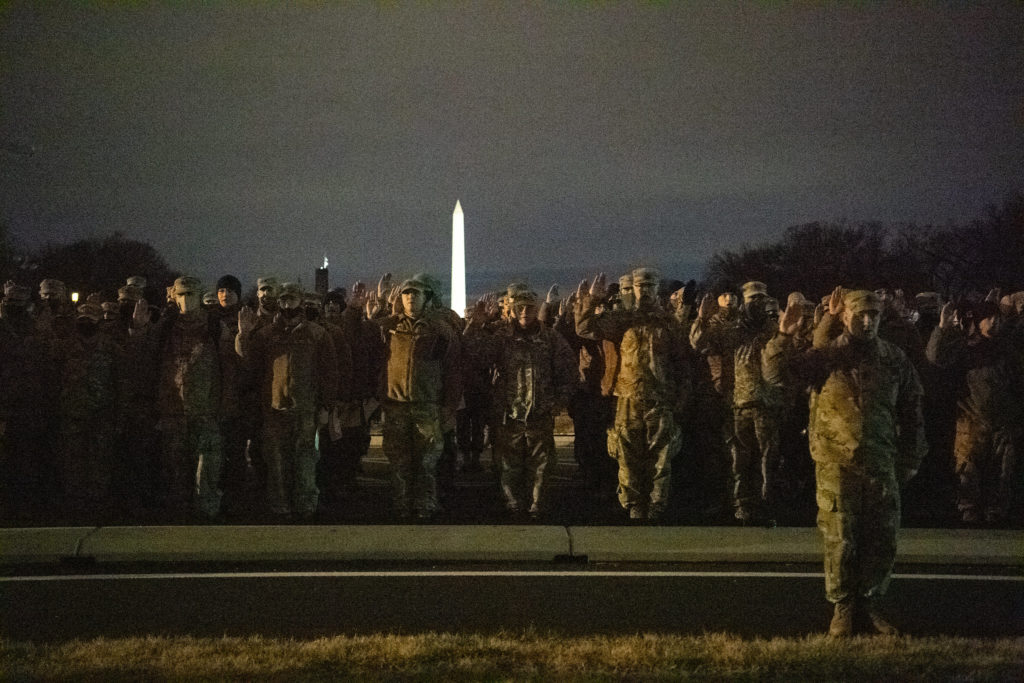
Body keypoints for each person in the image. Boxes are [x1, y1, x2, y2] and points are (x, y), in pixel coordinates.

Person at [764, 287, 926, 637]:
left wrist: (912, 457)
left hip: (881, 461)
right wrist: (783, 337)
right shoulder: (827, 356)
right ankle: (843, 607)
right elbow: (776, 376)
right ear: (845, 316)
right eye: (859, 315)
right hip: (836, 463)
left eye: (873, 315)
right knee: (840, 539)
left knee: (881, 538)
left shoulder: (893, 358)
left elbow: (912, 409)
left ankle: (870, 602)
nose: (867, 322)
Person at [575, 268, 690, 522]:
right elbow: (584, 328)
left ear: (656, 289)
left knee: (661, 457)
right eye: (640, 286)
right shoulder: (623, 319)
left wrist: (680, 399)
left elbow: (682, 363)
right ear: (633, 289)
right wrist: (592, 300)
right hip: (628, 399)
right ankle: (634, 505)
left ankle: (657, 505)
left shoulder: (669, 322)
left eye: (649, 286)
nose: (644, 291)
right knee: (627, 456)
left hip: (660, 399)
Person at [465, 289, 576, 519]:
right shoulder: (502, 337)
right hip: (509, 414)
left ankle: (537, 505)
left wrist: (560, 401)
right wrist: (475, 326)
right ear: (513, 311)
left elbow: (568, 371)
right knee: (507, 465)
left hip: (540, 413)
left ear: (536, 309)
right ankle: (512, 505)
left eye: (529, 307)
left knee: (542, 465)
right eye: (520, 308)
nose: (524, 312)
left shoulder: (550, 338)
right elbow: (476, 357)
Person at [237, 282, 338, 520]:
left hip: (306, 408)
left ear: (300, 301)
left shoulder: (317, 334)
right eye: (283, 299)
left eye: (291, 299)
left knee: (306, 460)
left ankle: (306, 506)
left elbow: (329, 372)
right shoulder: (266, 335)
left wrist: (326, 406)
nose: (286, 304)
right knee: (276, 461)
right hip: (274, 409)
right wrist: (244, 336)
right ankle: (280, 506)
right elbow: (251, 368)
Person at [691, 281, 782, 525]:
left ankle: (766, 507)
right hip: (737, 405)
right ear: (744, 301)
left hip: (767, 405)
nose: (757, 303)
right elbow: (699, 344)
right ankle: (742, 507)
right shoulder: (731, 331)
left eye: (761, 298)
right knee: (738, 459)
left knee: (768, 461)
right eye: (752, 298)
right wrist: (701, 319)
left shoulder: (775, 330)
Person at [132, 276, 223, 521]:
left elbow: (229, 367)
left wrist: (226, 405)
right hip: (172, 411)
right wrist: (139, 330)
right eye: (181, 295)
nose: (186, 300)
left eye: (191, 295)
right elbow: (144, 360)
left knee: (206, 475)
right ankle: (178, 521)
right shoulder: (165, 328)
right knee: (175, 473)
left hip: (205, 411)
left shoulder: (214, 327)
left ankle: (206, 521)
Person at [925, 299, 1022, 525]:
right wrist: (942, 328)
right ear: (978, 322)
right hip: (971, 422)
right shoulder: (966, 349)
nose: (994, 322)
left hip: (1004, 423)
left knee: (1003, 472)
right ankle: (968, 514)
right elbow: (936, 357)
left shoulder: (1006, 350)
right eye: (988, 318)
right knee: (969, 469)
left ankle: (996, 515)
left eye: (997, 317)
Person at [375, 274, 461, 520]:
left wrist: (449, 406)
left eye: (416, 293)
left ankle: (426, 505)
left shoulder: (439, 330)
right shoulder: (388, 328)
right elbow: (369, 352)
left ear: (426, 298)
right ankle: (402, 505)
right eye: (406, 293)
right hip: (396, 406)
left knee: (427, 462)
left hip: (427, 406)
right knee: (399, 462)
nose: (411, 297)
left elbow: (452, 370)